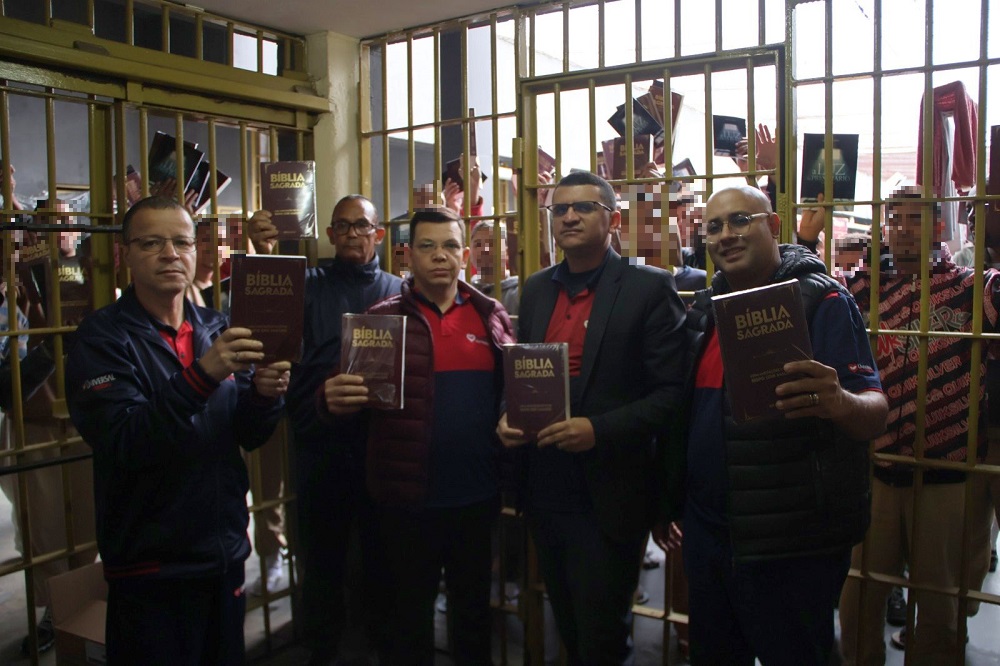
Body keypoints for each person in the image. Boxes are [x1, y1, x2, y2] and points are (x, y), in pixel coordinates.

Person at [663, 185, 887, 665]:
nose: (726, 235)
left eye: (741, 220)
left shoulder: (823, 301)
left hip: (791, 547)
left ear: (774, 226)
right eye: (715, 226)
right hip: (710, 537)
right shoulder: (704, 311)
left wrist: (838, 400)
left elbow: (875, 412)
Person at [65, 195, 290, 664]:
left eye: (182, 242)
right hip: (150, 567)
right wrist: (202, 375)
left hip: (223, 554)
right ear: (126, 254)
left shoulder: (215, 327)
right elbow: (126, 441)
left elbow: (247, 434)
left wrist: (266, 396)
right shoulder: (102, 338)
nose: (171, 253)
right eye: (152, 242)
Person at [496, 170, 687, 664]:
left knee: (603, 633)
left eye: (583, 207)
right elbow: (525, 372)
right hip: (545, 482)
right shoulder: (535, 291)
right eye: (559, 209)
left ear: (613, 218)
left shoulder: (648, 288)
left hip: (611, 489)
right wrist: (507, 414)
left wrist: (597, 430)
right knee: (568, 621)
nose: (569, 216)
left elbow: (671, 395)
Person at [322, 205, 515, 665]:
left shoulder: (491, 315)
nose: (440, 256)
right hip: (406, 501)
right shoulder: (379, 320)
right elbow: (345, 402)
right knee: (409, 621)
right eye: (427, 246)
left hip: (476, 497)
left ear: (465, 254)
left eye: (450, 245)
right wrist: (328, 400)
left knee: (473, 617)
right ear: (407, 255)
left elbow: (511, 390)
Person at [838, 186, 1000, 664]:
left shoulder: (974, 289)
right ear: (885, 227)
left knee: (939, 613)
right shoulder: (862, 287)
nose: (906, 229)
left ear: (938, 226)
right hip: (877, 470)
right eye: (897, 219)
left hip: (945, 477)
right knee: (859, 600)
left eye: (918, 218)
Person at [248, 194, 401, 665]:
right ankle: (321, 646)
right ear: (330, 234)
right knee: (321, 554)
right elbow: (264, 308)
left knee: (382, 551)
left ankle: (380, 641)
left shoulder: (400, 289)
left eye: (363, 226)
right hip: (318, 438)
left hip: (381, 441)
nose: (353, 234)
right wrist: (264, 251)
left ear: (378, 234)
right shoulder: (308, 283)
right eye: (343, 226)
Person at [469, 219, 519, 315]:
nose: (484, 249)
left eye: (492, 243)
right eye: (478, 244)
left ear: (507, 252)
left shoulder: (519, 291)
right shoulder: (465, 291)